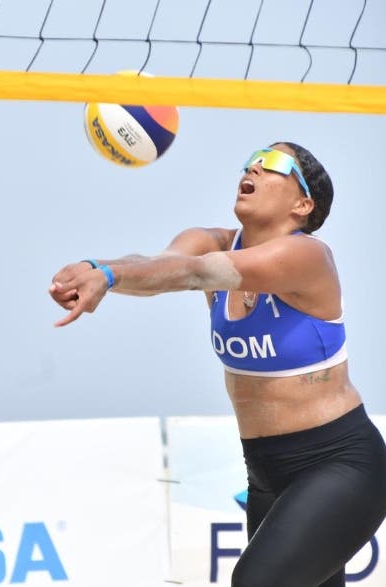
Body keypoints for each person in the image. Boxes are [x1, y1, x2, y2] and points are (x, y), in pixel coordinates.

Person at [49, 142, 386, 587]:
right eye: (251, 162)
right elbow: (161, 264)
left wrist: (110, 278)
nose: (253, 169)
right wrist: (96, 268)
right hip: (265, 472)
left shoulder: (307, 257)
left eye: (273, 167)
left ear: (304, 204)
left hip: (340, 464)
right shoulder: (211, 241)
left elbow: (197, 274)